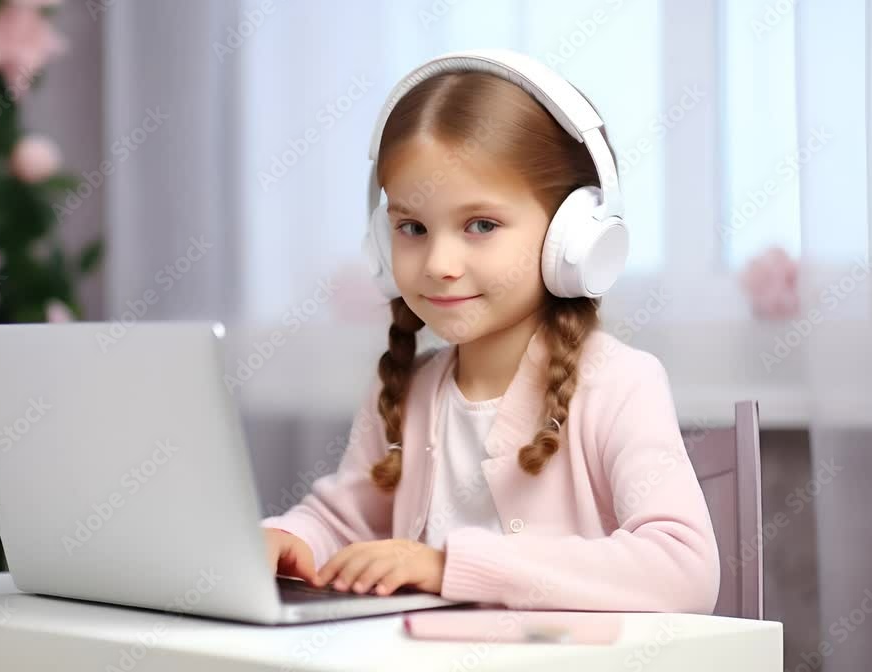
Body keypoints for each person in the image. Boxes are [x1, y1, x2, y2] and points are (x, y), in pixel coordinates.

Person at [261, 49, 720, 613]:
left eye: (481, 225)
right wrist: (291, 539)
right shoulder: (407, 392)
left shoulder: (620, 384)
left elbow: (684, 571)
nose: (439, 263)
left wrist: (447, 566)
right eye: (412, 227)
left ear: (574, 239)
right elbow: (343, 522)